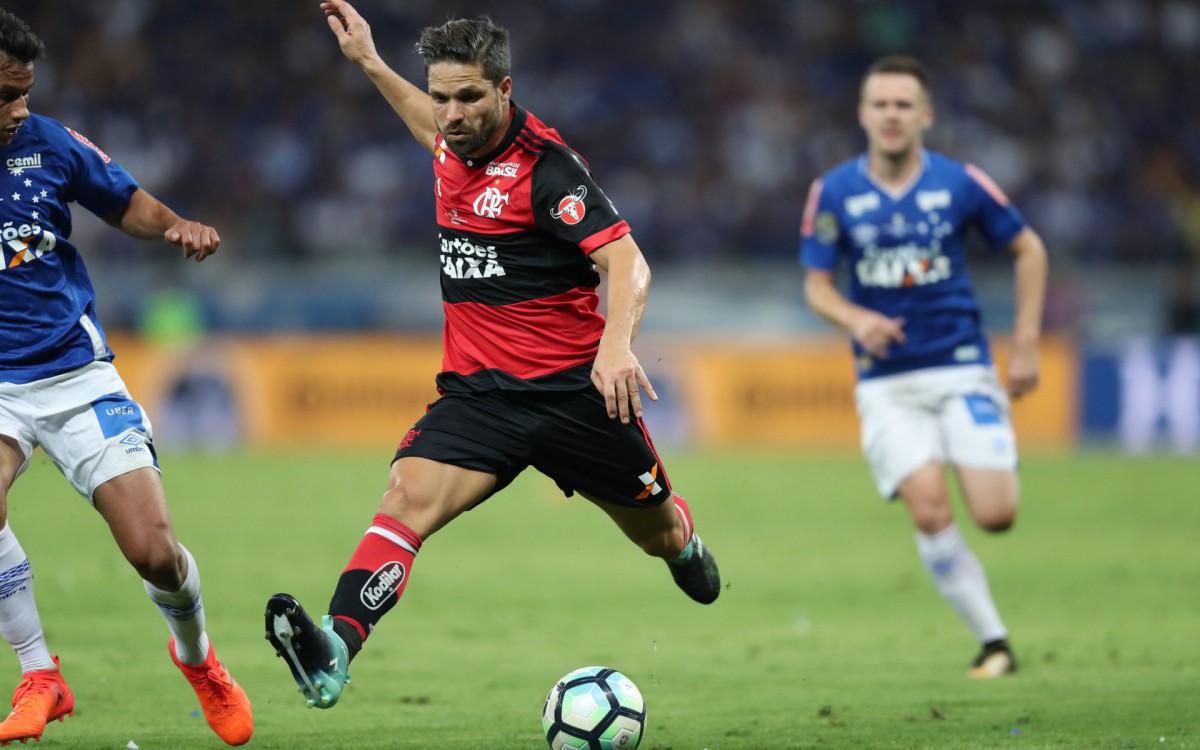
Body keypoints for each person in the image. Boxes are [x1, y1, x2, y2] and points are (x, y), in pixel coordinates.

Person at [263, 0, 721, 710]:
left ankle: (685, 542)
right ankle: (333, 649)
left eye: (469, 97)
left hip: (575, 395)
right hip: (479, 396)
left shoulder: (547, 170)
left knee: (658, 536)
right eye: (443, 96)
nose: (450, 113)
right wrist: (371, 62)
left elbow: (628, 264)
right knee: (404, 502)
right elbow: (425, 126)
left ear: (504, 90)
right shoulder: (450, 140)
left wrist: (617, 346)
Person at [0, 10, 252, 745]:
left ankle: (199, 660)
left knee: (153, 551)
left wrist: (173, 225)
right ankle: (39, 673)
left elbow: (126, 201)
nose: (20, 110)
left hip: (75, 375)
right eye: (6, 96)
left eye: (26, 93)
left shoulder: (47, 144)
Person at [800, 55, 1048, 679]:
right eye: (879, 104)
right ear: (862, 113)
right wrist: (856, 320)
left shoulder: (961, 183)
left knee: (996, 515)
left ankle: (993, 634)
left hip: (962, 366)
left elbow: (1030, 249)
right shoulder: (834, 191)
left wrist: (1024, 342)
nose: (891, 115)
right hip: (887, 382)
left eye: (903, 105)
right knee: (931, 509)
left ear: (925, 115)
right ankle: (994, 643)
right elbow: (817, 286)